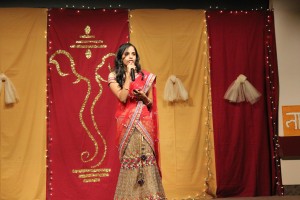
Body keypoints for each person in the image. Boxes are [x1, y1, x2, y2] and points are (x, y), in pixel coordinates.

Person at [108, 43, 166, 199]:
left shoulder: (145, 76)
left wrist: (144, 97)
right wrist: (128, 76)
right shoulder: (113, 76)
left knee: (147, 159)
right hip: (127, 124)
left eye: (133, 54)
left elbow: (150, 104)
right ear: (121, 58)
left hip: (144, 123)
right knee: (131, 161)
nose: (131, 57)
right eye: (126, 54)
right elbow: (122, 97)